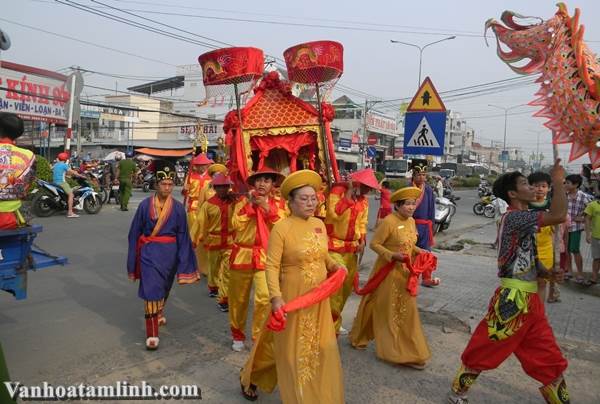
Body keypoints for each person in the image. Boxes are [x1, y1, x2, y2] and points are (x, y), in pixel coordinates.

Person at [448, 160, 569, 404]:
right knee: (485, 349)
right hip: (512, 303)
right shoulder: (514, 218)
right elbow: (558, 215)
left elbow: (527, 258)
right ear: (513, 194)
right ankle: (457, 393)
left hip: (531, 302)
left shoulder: (524, 218)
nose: (533, 187)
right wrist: (557, 181)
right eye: (525, 183)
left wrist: (547, 273)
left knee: (549, 356)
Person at [240, 169, 345, 403]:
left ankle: (315, 392)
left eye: (313, 198)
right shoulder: (282, 228)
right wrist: (276, 298)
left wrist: (336, 266)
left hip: (317, 298)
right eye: (304, 198)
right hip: (291, 298)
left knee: (315, 347)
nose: (310, 203)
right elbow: (271, 266)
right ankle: (256, 378)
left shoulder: (319, 224)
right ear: (291, 202)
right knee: (288, 351)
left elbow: (323, 256)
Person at [349, 186, 432, 369]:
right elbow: (375, 244)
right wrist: (392, 255)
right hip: (387, 272)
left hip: (405, 273)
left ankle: (408, 350)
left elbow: (410, 245)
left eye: (413, 204)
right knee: (387, 309)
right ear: (398, 205)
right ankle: (394, 351)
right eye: (407, 204)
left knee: (404, 310)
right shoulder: (388, 222)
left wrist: (420, 251)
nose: (411, 208)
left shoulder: (411, 221)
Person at [127, 163, 200, 350]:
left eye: (170, 184)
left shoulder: (177, 209)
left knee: (164, 288)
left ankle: (159, 311)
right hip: (149, 253)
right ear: (156, 185)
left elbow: (184, 236)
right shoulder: (144, 206)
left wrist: (185, 261)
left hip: (170, 256)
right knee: (151, 291)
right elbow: (134, 233)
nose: (167, 187)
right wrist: (132, 259)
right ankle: (152, 334)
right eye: (163, 184)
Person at [229, 167, 286, 351]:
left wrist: (266, 208)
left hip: (265, 256)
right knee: (238, 299)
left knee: (263, 298)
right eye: (259, 180)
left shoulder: (279, 204)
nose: (262, 184)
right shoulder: (242, 201)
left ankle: (257, 337)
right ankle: (237, 335)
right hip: (242, 255)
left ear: (272, 185)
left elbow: (282, 226)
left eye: (267, 180)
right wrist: (251, 207)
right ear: (253, 183)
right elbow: (235, 224)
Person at [326, 168, 379, 334]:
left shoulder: (364, 201)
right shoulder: (338, 191)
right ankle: (329, 325)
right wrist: (348, 194)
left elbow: (362, 223)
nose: (367, 191)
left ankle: (334, 319)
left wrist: (363, 239)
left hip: (352, 249)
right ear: (356, 183)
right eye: (364, 186)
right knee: (337, 286)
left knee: (347, 288)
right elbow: (333, 215)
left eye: (369, 188)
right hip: (333, 247)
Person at [194, 173, 236, 311]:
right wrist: (196, 238)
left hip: (230, 241)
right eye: (220, 187)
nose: (223, 189)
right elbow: (200, 223)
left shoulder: (234, 202)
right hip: (214, 240)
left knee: (227, 271)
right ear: (215, 188)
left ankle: (224, 299)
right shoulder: (208, 205)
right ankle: (213, 286)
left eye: (225, 187)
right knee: (213, 267)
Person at [528, 172, 560, 303]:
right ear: (529, 187)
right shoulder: (524, 205)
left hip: (546, 251)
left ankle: (539, 313)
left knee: (542, 283)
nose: (540, 189)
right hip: (527, 251)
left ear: (549, 188)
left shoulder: (553, 206)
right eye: (536, 186)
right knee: (528, 285)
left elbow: (558, 228)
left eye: (543, 186)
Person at [183, 153, 213, 277]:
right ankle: (192, 262)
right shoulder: (190, 176)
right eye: (200, 165)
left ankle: (204, 264)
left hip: (206, 209)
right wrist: (186, 189)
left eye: (204, 165)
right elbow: (185, 191)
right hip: (193, 209)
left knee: (204, 236)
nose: (202, 168)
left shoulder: (211, 179)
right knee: (193, 235)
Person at [410, 160, 439, 287]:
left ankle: (427, 278)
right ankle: (411, 276)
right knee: (410, 252)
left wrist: (432, 225)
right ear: (413, 175)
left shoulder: (427, 189)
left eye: (424, 175)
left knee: (426, 253)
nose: (421, 177)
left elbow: (431, 209)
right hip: (412, 225)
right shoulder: (408, 188)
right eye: (419, 175)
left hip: (425, 226)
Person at [564, 174, 592, 284]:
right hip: (565, 227)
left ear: (576, 185)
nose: (566, 184)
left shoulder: (583, 196)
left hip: (576, 227)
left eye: (568, 183)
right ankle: (569, 271)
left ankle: (580, 273)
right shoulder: (564, 195)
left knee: (574, 249)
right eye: (565, 182)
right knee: (566, 250)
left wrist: (582, 218)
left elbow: (592, 209)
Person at [52, 151, 85, 218]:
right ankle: (70, 212)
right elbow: (73, 172)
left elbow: (56, 172)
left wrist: (66, 176)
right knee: (71, 194)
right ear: (66, 159)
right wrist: (81, 176)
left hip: (54, 182)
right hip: (61, 183)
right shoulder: (64, 165)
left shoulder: (56, 165)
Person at [584, 194, 600, 286]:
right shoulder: (592, 205)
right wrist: (588, 234)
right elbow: (587, 219)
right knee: (596, 258)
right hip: (596, 236)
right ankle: (594, 277)